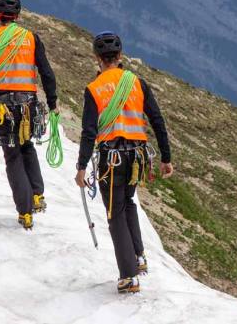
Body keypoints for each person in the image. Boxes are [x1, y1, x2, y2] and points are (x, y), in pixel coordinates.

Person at [75, 31, 173, 294]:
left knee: (114, 213)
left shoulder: (94, 89)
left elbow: (89, 131)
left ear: (97, 58)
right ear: (120, 56)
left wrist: (82, 166)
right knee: (127, 202)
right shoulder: (136, 82)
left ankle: (129, 275)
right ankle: (138, 256)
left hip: (111, 158)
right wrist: (166, 157)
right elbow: (156, 119)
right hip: (137, 157)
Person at [0, 0, 58, 230]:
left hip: (2, 107)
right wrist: (53, 103)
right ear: (18, 15)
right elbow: (46, 73)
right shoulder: (31, 38)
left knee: (12, 155)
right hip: (28, 105)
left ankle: (25, 211)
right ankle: (37, 194)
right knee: (26, 144)